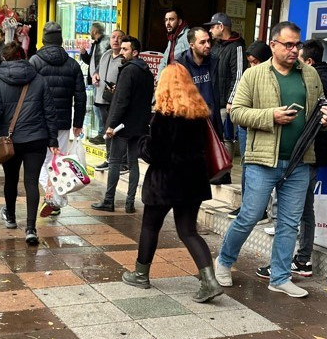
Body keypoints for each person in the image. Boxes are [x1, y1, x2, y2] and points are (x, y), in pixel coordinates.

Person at [214, 21, 327, 298]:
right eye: (289, 45)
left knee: (289, 222)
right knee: (249, 215)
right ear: (274, 45)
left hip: (300, 160)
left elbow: (322, 112)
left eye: (298, 45)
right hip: (262, 160)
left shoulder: (311, 75)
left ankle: (279, 277)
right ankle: (224, 261)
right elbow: (237, 113)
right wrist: (271, 117)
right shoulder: (254, 74)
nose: (295, 50)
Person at [122, 63, 223, 303]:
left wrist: (141, 143)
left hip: (165, 182)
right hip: (193, 180)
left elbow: (154, 153)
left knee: (149, 226)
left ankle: (140, 274)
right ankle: (210, 280)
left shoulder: (163, 118)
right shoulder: (199, 114)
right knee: (188, 231)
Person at [256, 39, 327, 279]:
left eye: (299, 58)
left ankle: (298, 260)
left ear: (310, 62)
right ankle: (300, 260)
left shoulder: (315, 81)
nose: (294, 62)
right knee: (302, 211)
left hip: (306, 154)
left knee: (296, 213)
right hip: (313, 153)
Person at [0, 41, 59, 245]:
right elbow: (50, 112)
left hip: (10, 141)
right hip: (36, 139)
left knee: (11, 179)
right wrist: (53, 139)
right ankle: (31, 228)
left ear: (4, 58)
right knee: (31, 182)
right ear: (23, 56)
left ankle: (11, 218)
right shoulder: (39, 79)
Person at [29, 22, 86, 217]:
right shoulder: (73, 64)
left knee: (41, 160)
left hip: (39, 120)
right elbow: (81, 96)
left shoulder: (34, 62)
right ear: (60, 40)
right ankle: (55, 197)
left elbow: (27, 93)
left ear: (44, 40)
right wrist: (78, 122)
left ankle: (52, 196)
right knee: (57, 160)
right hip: (62, 121)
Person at [91, 36, 154, 214]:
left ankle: (109, 200)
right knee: (133, 163)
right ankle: (129, 203)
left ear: (135, 52)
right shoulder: (147, 72)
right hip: (139, 125)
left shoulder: (128, 70)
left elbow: (122, 101)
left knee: (115, 161)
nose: (122, 52)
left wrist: (111, 125)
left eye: (125, 49)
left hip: (122, 126)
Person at [228, 40, 273, 218]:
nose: (252, 65)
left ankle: (258, 208)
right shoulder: (249, 75)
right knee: (247, 166)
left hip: (261, 129)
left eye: (256, 61)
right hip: (246, 127)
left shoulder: (271, 77)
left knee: (257, 168)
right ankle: (248, 206)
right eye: (250, 62)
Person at [205, 12, 247, 185]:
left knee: (226, 137)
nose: (210, 30)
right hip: (213, 101)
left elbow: (238, 76)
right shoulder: (216, 47)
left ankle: (225, 173)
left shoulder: (236, 47)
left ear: (221, 27)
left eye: (213, 27)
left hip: (226, 103)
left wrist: (231, 100)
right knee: (214, 136)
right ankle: (216, 170)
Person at [91, 29, 126, 172]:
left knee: (117, 132)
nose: (116, 40)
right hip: (101, 98)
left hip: (115, 102)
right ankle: (109, 159)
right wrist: (94, 76)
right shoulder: (105, 55)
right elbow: (97, 71)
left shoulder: (124, 59)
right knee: (106, 132)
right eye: (113, 37)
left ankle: (121, 161)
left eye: (119, 38)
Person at [175, 27, 222, 134]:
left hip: (211, 123)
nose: (208, 45)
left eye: (209, 41)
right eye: (202, 42)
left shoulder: (214, 61)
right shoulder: (180, 64)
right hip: (189, 125)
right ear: (192, 45)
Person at [79, 22, 111, 144]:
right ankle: (101, 132)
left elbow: (101, 63)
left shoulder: (104, 43)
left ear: (95, 31)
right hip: (95, 80)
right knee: (96, 107)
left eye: (90, 30)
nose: (89, 33)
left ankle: (102, 133)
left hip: (100, 80)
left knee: (99, 107)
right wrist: (83, 53)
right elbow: (90, 61)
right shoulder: (96, 44)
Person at [155, 7, 189, 81]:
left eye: (171, 19)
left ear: (180, 21)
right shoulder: (172, 38)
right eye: (166, 20)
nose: (168, 23)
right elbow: (164, 61)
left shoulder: (188, 36)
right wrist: (159, 80)